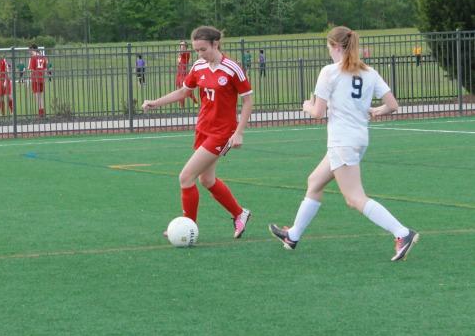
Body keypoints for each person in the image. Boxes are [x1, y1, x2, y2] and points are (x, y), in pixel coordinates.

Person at [268, 26, 418, 262]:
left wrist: (306, 105)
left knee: (354, 198)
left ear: (336, 47)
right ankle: (293, 235)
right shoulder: (368, 71)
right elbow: (393, 104)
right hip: (357, 140)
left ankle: (402, 233)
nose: (328, 52)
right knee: (315, 182)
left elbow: (317, 112)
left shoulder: (330, 72)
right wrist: (377, 110)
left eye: (329, 47)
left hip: (342, 142)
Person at [142, 26, 253, 239]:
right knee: (207, 180)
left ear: (215, 44)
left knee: (186, 177)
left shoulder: (232, 69)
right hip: (203, 129)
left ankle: (188, 227)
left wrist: (239, 132)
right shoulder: (199, 66)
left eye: (203, 49)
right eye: (197, 50)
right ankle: (240, 214)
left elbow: (248, 101)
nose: (200, 54)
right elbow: (184, 91)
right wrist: (156, 102)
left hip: (222, 133)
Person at [176, 41, 199, 106]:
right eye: (180, 45)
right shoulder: (180, 54)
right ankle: (182, 107)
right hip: (179, 72)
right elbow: (179, 61)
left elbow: (182, 52)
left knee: (185, 89)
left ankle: (195, 102)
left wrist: (180, 51)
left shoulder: (186, 52)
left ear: (186, 46)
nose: (181, 47)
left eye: (183, 45)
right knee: (179, 89)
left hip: (184, 72)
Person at [28, 44, 49, 117]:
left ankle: (40, 112)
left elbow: (32, 69)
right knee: (41, 95)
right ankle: (42, 111)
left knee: (37, 96)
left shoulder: (33, 57)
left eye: (30, 50)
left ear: (33, 49)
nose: (29, 51)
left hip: (35, 78)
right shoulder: (42, 57)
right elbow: (46, 68)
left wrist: (30, 79)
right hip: (41, 78)